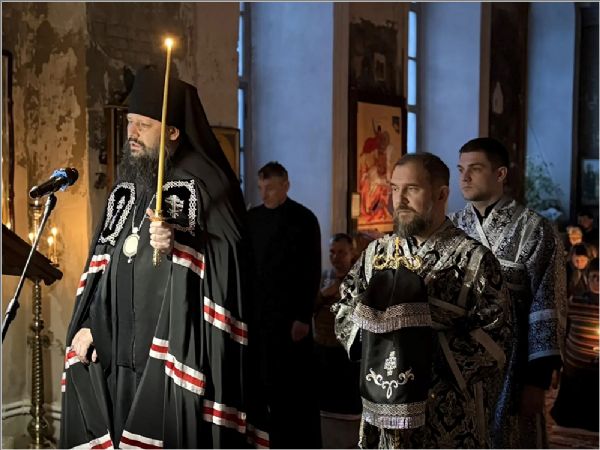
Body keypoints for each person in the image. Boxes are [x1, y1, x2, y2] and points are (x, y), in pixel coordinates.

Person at [60, 67, 262, 448]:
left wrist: (178, 245)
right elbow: (104, 265)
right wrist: (90, 323)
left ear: (172, 131)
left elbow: (229, 262)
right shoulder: (127, 186)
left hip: (171, 363)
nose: (132, 133)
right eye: (130, 122)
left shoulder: (205, 183)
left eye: (144, 125)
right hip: (116, 356)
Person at [334, 153, 513, 448]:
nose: (399, 199)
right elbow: (343, 307)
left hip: (445, 411)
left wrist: (420, 344)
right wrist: (378, 339)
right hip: (383, 410)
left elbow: (497, 336)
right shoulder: (375, 254)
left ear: (441, 194)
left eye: (412, 189)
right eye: (395, 188)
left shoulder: (474, 260)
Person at [450, 137, 567, 448]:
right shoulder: (450, 228)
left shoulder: (536, 230)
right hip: (456, 363)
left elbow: (547, 303)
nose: (464, 178)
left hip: (513, 364)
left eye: (475, 169)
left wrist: (537, 380)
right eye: (460, 169)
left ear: (500, 174)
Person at [247, 162, 322, 448]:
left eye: (270, 188)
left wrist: (303, 316)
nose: (264, 194)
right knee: (262, 383)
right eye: (260, 188)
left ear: (286, 186)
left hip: (292, 319)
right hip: (259, 316)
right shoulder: (252, 219)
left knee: (294, 389)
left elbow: (311, 270)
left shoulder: (304, 219)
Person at [313, 233, 361, 448]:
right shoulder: (323, 276)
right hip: (322, 351)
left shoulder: (359, 279)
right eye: (332, 252)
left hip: (347, 354)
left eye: (341, 252)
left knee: (348, 414)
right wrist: (324, 294)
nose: (336, 257)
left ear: (352, 253)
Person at [551, 257, 599, 432]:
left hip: (596, 376)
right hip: (573, 371)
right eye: (594, 277)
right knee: (568, 419)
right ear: (587, 277)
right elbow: (563, 332)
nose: (597, 282)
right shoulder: (575, 302)